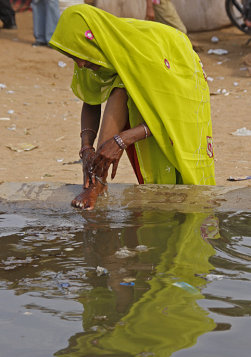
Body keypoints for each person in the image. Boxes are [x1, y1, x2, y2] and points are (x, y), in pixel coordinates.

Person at [49, 4, 215, 211]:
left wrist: (121, 140)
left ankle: (98, 183)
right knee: (120, 89)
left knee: (189, 188)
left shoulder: (144, 51)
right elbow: (91, 101)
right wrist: (86, 148)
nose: (80, 64)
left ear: (92, 40)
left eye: (78, 56)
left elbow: (174, 113)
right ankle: (97, 183)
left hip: (177, 75)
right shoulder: (89, 52)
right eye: (73, 58)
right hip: (145, 81)